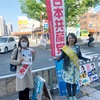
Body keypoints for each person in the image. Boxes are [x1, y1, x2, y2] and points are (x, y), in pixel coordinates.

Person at [54, 33, 89, 100]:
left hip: (75, 68)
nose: (71, 39)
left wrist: (87, 58)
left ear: (75, 39)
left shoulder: (77, 47)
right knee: (68, 82)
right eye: (69, 38)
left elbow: (80, 56)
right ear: (67, 39)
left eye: (72, 38)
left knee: (75, 82)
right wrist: (58, 58)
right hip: (68, 68)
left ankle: (74, 95)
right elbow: (62, 56)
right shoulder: (65, 48)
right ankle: (70, 96)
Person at [10, 35, 36, 100]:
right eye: (23, 41)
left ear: (27, 42)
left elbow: (32, 60)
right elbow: (11, 61)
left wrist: (34, 53)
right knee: (21, 92)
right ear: (20, 42)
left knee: (27, 91)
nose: (24, 43)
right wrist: (19, 61)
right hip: (21, 74)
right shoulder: (16, 50)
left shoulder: (29, 50)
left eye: (25, 41)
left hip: (27, 73)